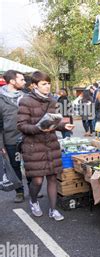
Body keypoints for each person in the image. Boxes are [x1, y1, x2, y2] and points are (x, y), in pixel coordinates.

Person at [17, 71, 74, 221]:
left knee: (53, 178)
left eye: (48, 83)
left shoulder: (53, 101)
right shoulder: (26, 101)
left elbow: (53, 122)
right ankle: (33, 201)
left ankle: (53, 210)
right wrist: (38, 128)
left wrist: (63, 126)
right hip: (33, 147)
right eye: (44, 84)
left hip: (51, 145)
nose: (47, 86)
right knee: (37, 180)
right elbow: (22, 126)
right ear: (34, 85)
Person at [0, 70, 27, 202]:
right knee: (15, 166)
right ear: (12, 81)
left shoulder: (25, 96)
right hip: (10, 140)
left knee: (30, 165)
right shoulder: (0, 99)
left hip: (28, 137)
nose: (24, 82)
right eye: (21, 79)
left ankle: (33, 189)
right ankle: (19, 191)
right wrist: (1, 145)